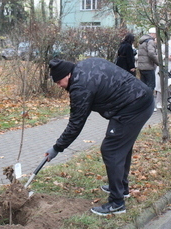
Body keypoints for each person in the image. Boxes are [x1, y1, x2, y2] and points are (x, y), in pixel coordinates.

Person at [45, 58, 154, 216]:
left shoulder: (80, 87)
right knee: (121, 146)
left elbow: (76, 124)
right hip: (140, 99)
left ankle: (117, 203)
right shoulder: (83, 65)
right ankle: (121, 188)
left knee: (111, 149)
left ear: (67, 75)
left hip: (133, 107)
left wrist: (57, 148)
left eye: (59, 82)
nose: (59, 86)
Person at [137, 27, 160, 91]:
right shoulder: (150, 41)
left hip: (141, 67)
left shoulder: (142, 41)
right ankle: (149, 100)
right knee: (151, 85)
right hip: (148, 67)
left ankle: (142, 100)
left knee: (143, 85)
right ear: (153, 34)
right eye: (156, 34)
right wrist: (158, 63)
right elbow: (151, 54)